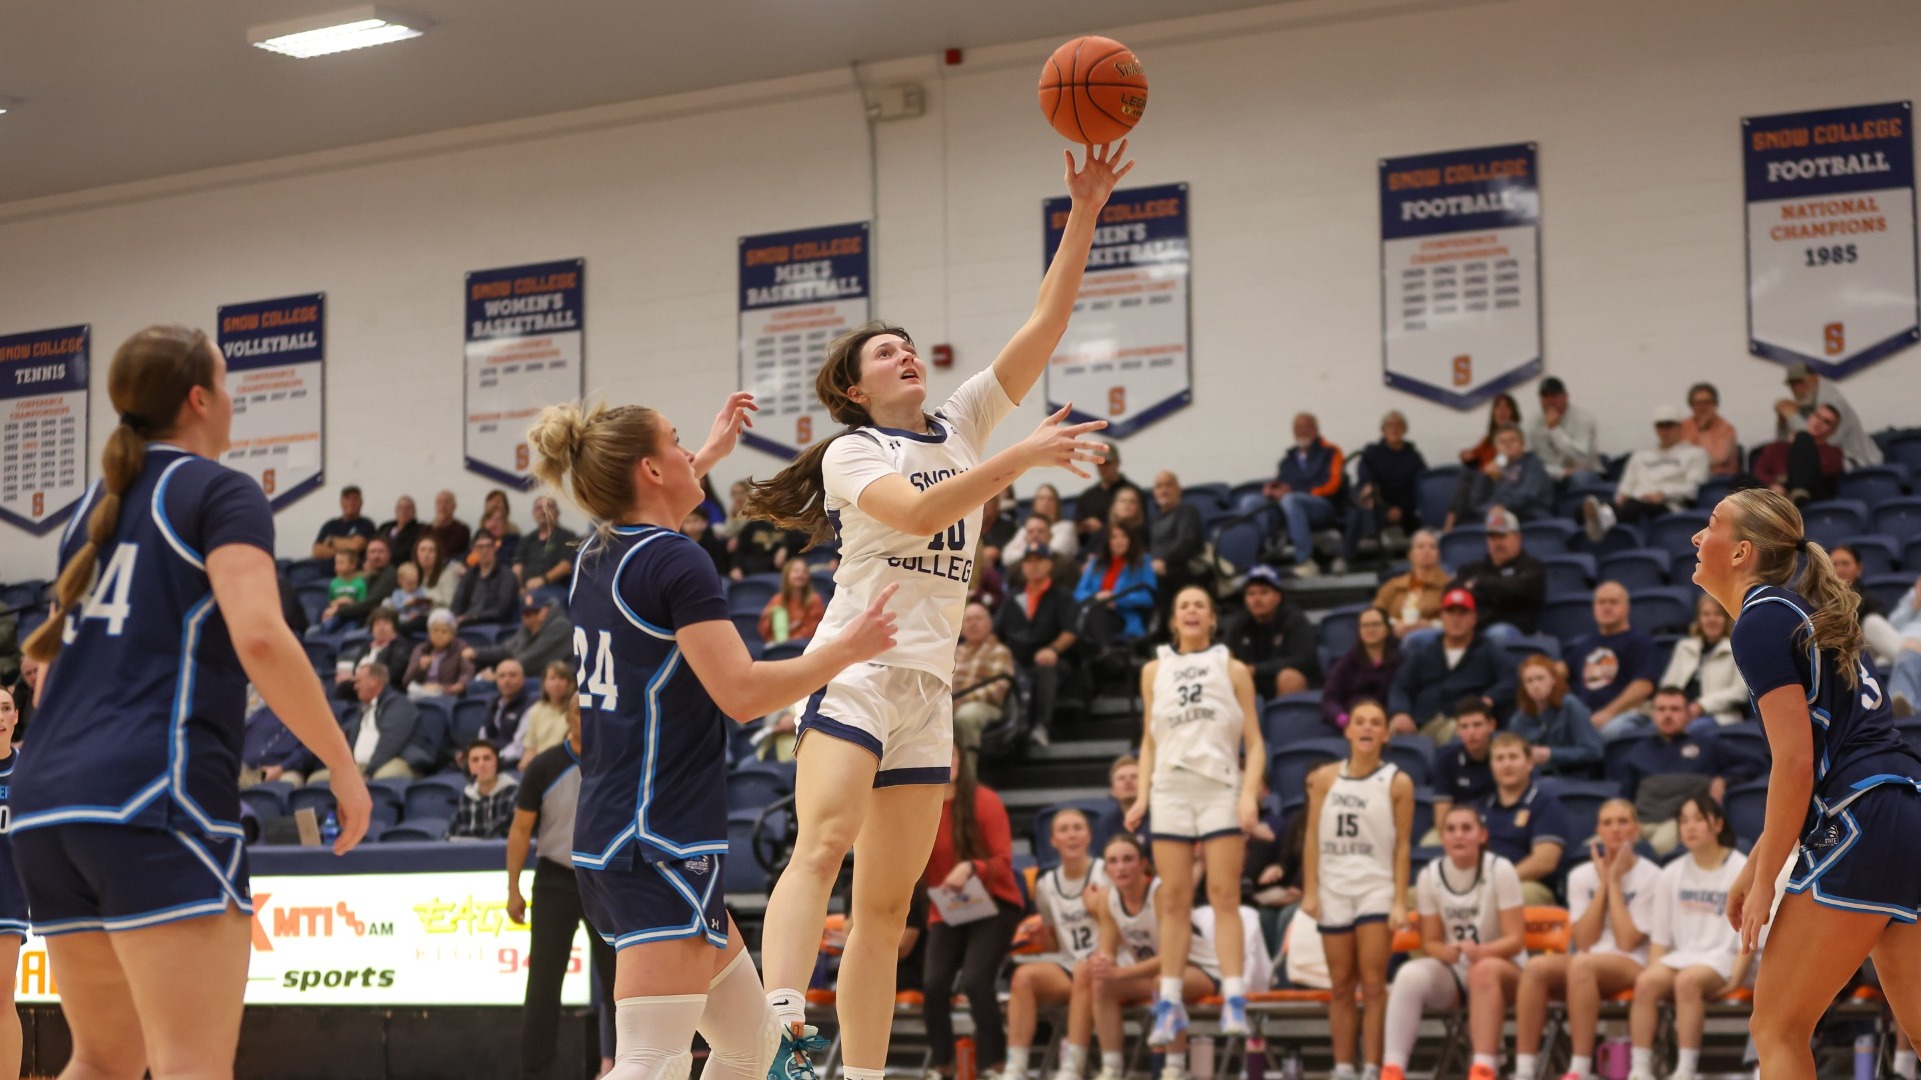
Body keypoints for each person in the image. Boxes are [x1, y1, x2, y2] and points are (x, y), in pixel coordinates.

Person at [741, 143, 1133, 1080]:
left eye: (908, 344)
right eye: (885, 351)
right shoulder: (854, 452)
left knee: (886, 911)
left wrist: (1084, 210)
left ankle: (864, 1073)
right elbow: (919, 515)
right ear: (855, 388)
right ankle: (781, 1038)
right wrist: (1018, 460)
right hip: (855, 668)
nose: (904, 353)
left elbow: (1044, 325)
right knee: (821, 846)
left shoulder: (959, 425)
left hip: (928, 689)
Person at [9, 325, 371, 1078]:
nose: (233, 401)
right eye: (226, 384)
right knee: (190, 1065)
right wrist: (342, 765)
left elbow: (48, 664)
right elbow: (261, 636)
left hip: (45, 804)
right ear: (199, 399)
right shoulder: (219, 490)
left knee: (103, 1061)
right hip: (150, 793)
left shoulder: (91, 509)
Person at [526, 384, 902, 1080]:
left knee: (758, 1055)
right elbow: (743, 694)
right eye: (675, 442)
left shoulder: (595, 554)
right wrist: (846, 649)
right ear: (650, 469)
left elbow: (640, 502)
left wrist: (705, 453)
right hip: (656, 838)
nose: (686, 450)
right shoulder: (676, 560)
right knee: (652, 1060)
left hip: (623, 833)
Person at [1693, 489, 1921, 1080]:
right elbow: (1814, 760)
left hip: (1862, 815)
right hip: (1903, 807)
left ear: (1741, 552)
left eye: (1711, 525)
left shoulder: (1760, 622)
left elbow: (1794, 764)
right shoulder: (1794, 612)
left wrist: (1765, 881)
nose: (1696, 536)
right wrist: (1756, 866)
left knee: (1776, 1028)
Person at [1125, 586, 1264, 1041]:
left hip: (1218, 785)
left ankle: (1235, 998)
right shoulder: (1154, 669)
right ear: (1173, 620)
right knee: (1173, 899)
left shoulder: (1233, 668)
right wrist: (1142, 796)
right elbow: (1149, 742)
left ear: (1212, 619)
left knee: (1224, 895)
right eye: (1183, 605)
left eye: (1199, 605)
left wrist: (1248, 795)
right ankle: (1169, 1002)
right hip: (1170, 788)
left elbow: (1255, 743)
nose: (1191, 610)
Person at [1302, 701, 1414, 1080]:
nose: (1367, 728)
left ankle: (1373, 1067)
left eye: (1375, 723)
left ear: (1385, 734)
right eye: (1360, 722)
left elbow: (1403, 845)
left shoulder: (1398, 782)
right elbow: (1312, 837)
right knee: (1340, 985)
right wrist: (1310, 890)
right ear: (1348, 731)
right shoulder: (1324, 778)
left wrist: (1399, 900)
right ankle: (1343, 1067)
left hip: (1375, 886)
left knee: (1373, 983)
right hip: (1334, 887)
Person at [506, 695, 616, 1080]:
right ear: (567, 717)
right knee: (543, 984)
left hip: (607, 880)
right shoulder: (544, 766)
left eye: (592, 711)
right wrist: (513, 888)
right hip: (556, 880)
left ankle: (630, 1066)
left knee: (620, 982)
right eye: (578, 711)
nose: (586, 717)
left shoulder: (619, 760)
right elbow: (521, 829)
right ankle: (535, 1073)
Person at [1511, 799, 1662, 1080]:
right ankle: (1524, 1069)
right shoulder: (1580, 875)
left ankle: (1579, 1068)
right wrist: (1603, 884)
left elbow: (1627, 941)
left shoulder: (1652, 876)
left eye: (1623, 821)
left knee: (1582, 965)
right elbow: (1584, 941)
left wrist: (1613, 883)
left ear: (1636, 829)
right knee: (1535, 968)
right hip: (1588, 960)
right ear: (1598, 831)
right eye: (1607, 823)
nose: (1615, 829)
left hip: (1634, 962)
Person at [1381, 806, 1527, 1080]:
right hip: (1458, 971)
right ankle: (1393, 1068)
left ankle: (1483, 1068)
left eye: (1466, 828)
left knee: (1482, 970)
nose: (1458, 835)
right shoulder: (1430, 875)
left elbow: (1515, 940)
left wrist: (1482, 952)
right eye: (1451, 829)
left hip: (1505, 968)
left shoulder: (1501, 869)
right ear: (1442, 838)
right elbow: (1430, 942)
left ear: (1482, 835)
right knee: (1409, 974)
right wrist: (1444, 952)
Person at [1625, 796, 1750, 1080]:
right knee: (1645, 982)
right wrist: (1655, 974)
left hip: (1724, 957)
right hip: (1684, 957)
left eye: (1698, 819)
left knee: (1687, 981)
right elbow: (1660, 938)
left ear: (1717, 824)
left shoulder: (1740, 868)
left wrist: (1736, 978)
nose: (1689, 827)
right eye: (1683, 821)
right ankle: (1640, 1068)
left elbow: (1750, 934)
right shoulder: (1671, 873)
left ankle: (1685, 1070)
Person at [922, 738, 1025, 1080]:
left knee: (976, 980)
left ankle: (992, 1064)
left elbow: (1004, 862)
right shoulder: (921, 805)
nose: (946, 760)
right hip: (948, 906)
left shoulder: (985, 801)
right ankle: (942, 1065)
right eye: (939, 753)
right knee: (934, 983)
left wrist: (970, 868)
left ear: (962, 761)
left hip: (994, 902)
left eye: (951, 754)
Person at [1079, 834, 1218, 1080]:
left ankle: (1174, 1068)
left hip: (1200, 970)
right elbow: (1108, 951)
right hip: (1153, 974)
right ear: (1106, 869)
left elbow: (1172, 957)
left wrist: (1121, 972)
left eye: (1128, 859)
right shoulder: (1107, 899)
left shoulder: (1162, 893)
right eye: (1113, 861)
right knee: (1101, 982)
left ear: (1143, 864)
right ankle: (1111, 1068)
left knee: (1166, 983)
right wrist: (1101, 963)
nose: (1121, 867)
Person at [1004, 808, 1107, 1080]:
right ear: (1053, 841)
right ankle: (1016, 1067)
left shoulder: (1106, 873)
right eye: (1063, 829)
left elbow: (1122, 928)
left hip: (1107, 963)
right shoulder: (1046, 884)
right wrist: (1042, 939)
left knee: (1085, 971)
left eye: (1077, 828)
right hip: (1070, 963)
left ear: (1089, 836)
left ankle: (1072, 1067)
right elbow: (1055, 942)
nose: (1071, 835)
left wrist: (1098, 910)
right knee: (1023, 977)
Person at [1610, 687, 1732, 855]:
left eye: (1675, 709)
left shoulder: (1707, 745)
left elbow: (1753, 763)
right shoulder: (1637, 751)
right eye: (1661, 709)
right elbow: (1625, 796)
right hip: (1640, 823)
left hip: (1678, 822)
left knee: (1656, 849)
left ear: (1688, 714)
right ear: (1653, 714)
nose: (1667, 715)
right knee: (1596, 847)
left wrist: (1724, 780)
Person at [1387, 588, 1518, 742]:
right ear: (1441, 617)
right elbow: (1400, 686)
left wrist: (1489, 698)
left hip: (1462, 724)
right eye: (1450, 613)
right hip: (1421, 722)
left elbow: (1513, 677)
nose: (1456, 619)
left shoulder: (1488, 650)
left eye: (1463, 613)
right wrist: (1400, 712)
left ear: (1474, 618)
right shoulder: (1424, 652)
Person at [995, 543, 1079, 746]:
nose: (1033, 566)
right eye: (1028, 561)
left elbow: (1071, 631)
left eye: (1039, 560)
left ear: (1049, 564)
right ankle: (1007, 729)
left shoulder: (1062, 595)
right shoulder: (1013, 596)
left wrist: (1053, 649)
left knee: (1045, 666)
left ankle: (1041, 725)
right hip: (1017, 660)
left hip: (1053, 661)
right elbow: (997, 631)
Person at [1584, 406, 1709, 536]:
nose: (1665, 430)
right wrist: (1622, 496)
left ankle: (1604, 519)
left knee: (1633, 506)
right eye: (1661, 426)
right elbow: (1625, 487)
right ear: (1656, 429)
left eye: (1670, 425)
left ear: (1680, 427)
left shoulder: (1696, 454)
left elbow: (1693, 488)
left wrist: (1663, 494)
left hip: (1668, 504)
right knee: (1580, 511)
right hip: (1635, 501)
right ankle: (1603, 518)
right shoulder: (1640, 456)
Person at [1480, 733, 1572, 907]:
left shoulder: (1546, 805)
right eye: (1499, 759)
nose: (1507, 764)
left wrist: (1497, 883)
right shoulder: (1480, 807)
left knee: (1517, 895)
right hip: (1483, 884)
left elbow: (1544, 862)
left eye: (1513, 757)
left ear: (1529, 763)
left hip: (1529, 885)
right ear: (1491, 766)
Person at [1567, 581, 1662, 740]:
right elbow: (1564, 673)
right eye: (1601, 602)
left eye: (1613, 602)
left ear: (1627, 607)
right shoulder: (1583, 646)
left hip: (1628, 714)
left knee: (1609, 732)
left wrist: (1608, 713)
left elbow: (1644, 686)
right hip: (1587, 715)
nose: (1606, 607)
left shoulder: (1640, 643)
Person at [305, 663, 424, 782]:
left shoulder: (399, 705)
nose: (355, 687)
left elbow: (390, 743)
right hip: (361, 766)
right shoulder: (363, 710)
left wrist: (369, 773)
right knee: (316, 780)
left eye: (358, 681)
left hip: (394, 761)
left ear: (374, 681)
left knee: (381, 779)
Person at [1263, 412, 1346, 578]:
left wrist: (1296, 492)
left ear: (1316, 429)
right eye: (1298, 428)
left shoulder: (1331, 452)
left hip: (1323, 506)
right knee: (1251, 502)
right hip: (1293, 507)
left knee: (1291, 499)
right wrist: (1273, 490)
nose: (1303, 431)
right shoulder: (1287, 460)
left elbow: (1332, 484)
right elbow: (1282, 484)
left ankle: (1305, 561)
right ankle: (1257, 561)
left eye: (1307, 426)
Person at [1447, 508, 1547, 638]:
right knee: (1425, 637)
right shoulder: (1471, 569)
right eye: (1492, 537)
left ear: (1518, 538)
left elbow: (1516, 588)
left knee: (1497, 634)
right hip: (1473, 631)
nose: (1497, 543)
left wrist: (1478, 584)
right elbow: (1452, 591)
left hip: (1516, 634)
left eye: (1502, 536)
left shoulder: (1533, 568)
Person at [1220, 565, 1317, 697]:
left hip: (1289, 683)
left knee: (1288, 678)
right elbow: (1224, 654)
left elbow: (1304, 660)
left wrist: (1256, 669)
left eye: (1264, 592)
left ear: (1277, 597)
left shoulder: (1294, 620)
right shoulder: (1239, 623)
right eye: (1251, 594)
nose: (1257, 599)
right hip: (1253, 685)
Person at [1347, 410, 1427, 561]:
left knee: (1357, 514)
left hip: (1402, 509)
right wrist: (1374, 495)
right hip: (1376, 502)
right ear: (1383, 430)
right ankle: (1350, 556)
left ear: (1404, 429)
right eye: (1389, 425)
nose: (1394, 429)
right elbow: (1364, 476)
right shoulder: (1372, 451)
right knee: (1358, 503)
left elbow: (1419, 489)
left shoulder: (1413, 457)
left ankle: (1353, 554)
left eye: (1398, 425)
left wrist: (1401, 509)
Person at [1659, 594, 1748, 729]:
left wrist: (1701, 705)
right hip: (1678, 712)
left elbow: (1740, 692)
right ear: (1699, 619)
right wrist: (1675, 708)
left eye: (1717, 614)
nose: (1711, 620)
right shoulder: (1684, 647)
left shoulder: (1736, 649)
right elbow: (1668, 685)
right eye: (1706, 614)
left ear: (1726, 619)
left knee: (1691, 730)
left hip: (1719, 716)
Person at [1508, 654, 1603, 777]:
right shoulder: (1520, 718)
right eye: (1529, 681)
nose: (1535, 685)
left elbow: (1594, 751)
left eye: (1540, 678)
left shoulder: (1570, 705)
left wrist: (1551, 754)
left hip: (1573, 776)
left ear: (1553, 680)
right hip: (1535, 777)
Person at [1774, 360, 1882, 468]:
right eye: (1792, 384)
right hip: (1835, 466)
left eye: (1801, 382)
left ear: (1815, 378)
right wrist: (1782, 422)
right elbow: (1783, 446)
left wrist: (1792, 416)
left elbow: (1818, 444)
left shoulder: (1834, 402)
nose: (1797, 388)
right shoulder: (1807, 402)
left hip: (1864, 466)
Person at [1445, 424, 1553, 530]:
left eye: (1512, 440)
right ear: (1496, 447)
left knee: (1496, 522)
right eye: (1502, 442)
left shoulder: (1533, 464)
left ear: (1522, 444)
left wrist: (1502, 507)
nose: (1508, 445)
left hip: (1527, 517)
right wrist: (1484, 477)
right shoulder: (1496, 468)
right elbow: (1477, 502)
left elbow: (1527, 494)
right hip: (1495, 518)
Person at [1751, 401, 1847, 505]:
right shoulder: (1776, 447)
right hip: (1779, 494)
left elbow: (1826, 474)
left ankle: (1799, 491)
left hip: (1812, 496)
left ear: (1832, 431)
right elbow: (1759, 472)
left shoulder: (1833, 452)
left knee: (1803, 437)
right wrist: (1773, 485)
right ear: (1810, 416)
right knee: (1742, 479)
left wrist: (1801, 443)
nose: (1818, 423)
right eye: (1817, 416)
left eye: (1826, 422)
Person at [1322, 606, 1402, 728]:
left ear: (1387, 628)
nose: (1370, 629)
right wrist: (1343, 719)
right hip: (1355, 722)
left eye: (1375, 624)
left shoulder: (1401, 659)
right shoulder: (1347, 662)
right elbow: (1330, 699)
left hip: (1391, 721)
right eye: (1365, 625)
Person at [1075, 524, 1157, 642]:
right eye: (1113, 537)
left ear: (1130, 540)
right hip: (1095, 611)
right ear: (1107, 542)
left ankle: (1107, 650)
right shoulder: (1095, 562)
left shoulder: (1143, 562)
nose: (1119, 541)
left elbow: (1148, 597)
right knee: (1092, 614)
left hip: (1123, 615)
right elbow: (1078, 593)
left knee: (1094, 617)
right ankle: (1107, 650)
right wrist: (1097, 597)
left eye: (1124, 536)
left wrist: (1116, 599)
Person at [952, 602, 1015, 749]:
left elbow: (998, 690)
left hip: (984, 706)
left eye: (978, 618)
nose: (973, 624)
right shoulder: (954, 653)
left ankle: (968, 764)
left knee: (966, 716)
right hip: (951, 704)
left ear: (989, 624)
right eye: (968, 620)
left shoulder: (1000, 651)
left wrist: (963, 699)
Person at [471, 593, 575, 681]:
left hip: (556, 679)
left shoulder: (560, 627)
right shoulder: (527, 629)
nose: (530, 618)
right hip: (529, 676)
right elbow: (507, 649)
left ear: (546, 609)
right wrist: (476, 653)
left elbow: (534, 658)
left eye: (535, 612)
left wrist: (499, 674)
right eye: (526, 614)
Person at [1430, 699, 1499, 829]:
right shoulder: (1446, 759)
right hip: (1459, 827)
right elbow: (1442, 815)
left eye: (1477, 725)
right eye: (1464, 726)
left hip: (1498, 825)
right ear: (1457, 729)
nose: (1471, 732)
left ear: (1491, 725)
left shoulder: (1505, 756)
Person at [1147, 471, 1207, 617]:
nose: (1164, 490)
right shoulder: (1154, 520)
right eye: (1159, 486)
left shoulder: (1187, 511)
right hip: (1158, 570)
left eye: (1168, 485)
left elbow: (1186, 543)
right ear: (1154, 493)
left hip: (1185, 570)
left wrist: (1164, 560)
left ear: (1179, 490)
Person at [1373, 529, 1449, 642]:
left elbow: (1458, 620)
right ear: (1410, 555)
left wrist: (1430, 626)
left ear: (1438, 555)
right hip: (1393, 643)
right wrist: (1394, 627)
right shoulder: (1393, 586)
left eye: (1432, 547)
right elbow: (1374, 617)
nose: (1427, 551)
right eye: (1420, 547)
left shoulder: (1449, 586)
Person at [1527, 377, 1601, 482]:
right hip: (1552, 475)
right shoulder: (1534, 422)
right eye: (1545, 396)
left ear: (1566, 397)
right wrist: (1559, 472)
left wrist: (1554, 430)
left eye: (1554, 396)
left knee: (1579, 477)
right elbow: (1530, 460)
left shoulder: (1583, 419)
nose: (1549, 401)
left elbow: (1582, 462)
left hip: (1585, 473)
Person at [0, 687, 20, 1080]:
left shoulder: (30, 773)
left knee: (2, 1000)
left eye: (4, 708)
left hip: (8, 899)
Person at [448, 738, 519, 840]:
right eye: (475, 760)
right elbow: (451, 837)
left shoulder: (515, 794)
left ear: (497, 763)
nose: (481, 764)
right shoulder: (465, 798)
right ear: (469, 767)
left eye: (487, 758)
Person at [471, 657, 537, 766]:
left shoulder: (531, 707)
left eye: (512, 675)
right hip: (491, 762)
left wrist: (493, 759)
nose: (507, 680)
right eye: (502, 676)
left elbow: (519, 747)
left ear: (522, 679)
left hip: (511, 763)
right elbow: (483, 736)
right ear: (497, 680)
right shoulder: (493, 704)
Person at [322, 535, 398, 630]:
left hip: (372, 624)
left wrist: (339, 610)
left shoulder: (390, 574)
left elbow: (369, 603)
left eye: (381, 552)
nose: (376, 556)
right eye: (372, 552)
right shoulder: (366, 577)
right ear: (367, 556)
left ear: (389, 555)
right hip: (352, 617)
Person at [1072, 442, 1143, 542]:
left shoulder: (1133, 493)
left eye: (1106, 463)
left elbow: (1143, 526)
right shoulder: (1087, 497)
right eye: (1099, 463)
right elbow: (1077, 532)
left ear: (1117, 463)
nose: (1103, 467)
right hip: (1095, 546)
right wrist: (1085, 526)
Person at [517, 659, 577, 764]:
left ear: (570, 683)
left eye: (562, 678)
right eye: (552, 678)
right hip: (540, 762)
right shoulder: (536, 709)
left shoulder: (576, 711)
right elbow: (530, 747)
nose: (557, 683)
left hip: (565, 762)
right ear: (544, 683)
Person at [404, 609, 474, 698]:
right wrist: (419, 668)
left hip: (447, 694)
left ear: (452, 634)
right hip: (421, 692)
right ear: (429, 632)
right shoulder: (421, 649)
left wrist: (459, 685)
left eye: (444, 631)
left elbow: (467, 672)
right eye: (435, 631)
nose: (439, 635)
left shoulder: (461, 648)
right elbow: (406, 681)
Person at [452, 531, 518, 626]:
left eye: (488, 546)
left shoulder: (507, 576)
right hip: (465, 624)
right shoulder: (470, 575)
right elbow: (457, 604)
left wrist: (472, 617)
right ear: (473, 550)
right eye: (480, 547)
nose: (484, 551)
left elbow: (502, 610)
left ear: (495, 547)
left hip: (492, 625)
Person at [514, 494, 579, 589]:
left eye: (548, 507)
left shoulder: (569, 537)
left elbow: (566, 565)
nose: (543, 511)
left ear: (557, 513)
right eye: (539, 508)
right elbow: (517, 566)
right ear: (534, 513)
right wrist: (518, 588)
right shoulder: (526, 540)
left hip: (555, 588)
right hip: (526, 590)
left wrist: (543, 580)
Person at [759, 558, 825, 646]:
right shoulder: (777, 599)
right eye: (796, 571)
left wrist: (790, 641)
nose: (800, 575)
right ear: (787, 575)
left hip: (802, 645)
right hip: (777, 645)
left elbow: (811, 629)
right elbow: (764, 631)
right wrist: (769, 618)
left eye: (804, 572)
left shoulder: (814, 599)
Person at [1681, 383, 1741, 477]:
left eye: (1707, 402)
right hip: (1686, 477)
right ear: (1691, 405)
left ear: (1715, 404)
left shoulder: (1726, 429)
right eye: (1698, 403)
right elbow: (1677, 456)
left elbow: (1718, 458)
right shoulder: (1682, 426)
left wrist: (1702, 429)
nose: (1702, 407)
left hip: (1717, 478)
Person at [405, 534, 462, 630]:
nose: (426, 555)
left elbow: (449, 602)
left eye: (431, 551)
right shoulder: (411, 572)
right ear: (416, 554)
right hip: (416, 615)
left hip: (440, 616)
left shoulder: (447, 572)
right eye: (422, 550)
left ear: (437, 555)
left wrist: (421, 602)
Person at [1461, 393, 1522, 471]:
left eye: (1506, 407)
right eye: (1498, 407)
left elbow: (1508, 458)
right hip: (1483, 476)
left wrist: (1494, 465)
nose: (1502, 411)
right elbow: (1473, 453)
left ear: (1513, 412)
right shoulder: (1489, 438)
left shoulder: (1518, 437)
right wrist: (1465, 455)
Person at [311, 483, 375, 558]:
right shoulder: (330, 525)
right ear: (341, 502)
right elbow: (316, 551)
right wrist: (345, 548)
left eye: (355, 499)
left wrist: (331, 540)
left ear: (361, 503)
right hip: (319, 564)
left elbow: (355, 546)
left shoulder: (366, 524)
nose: (351, 503)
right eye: (347, 499)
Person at [1095, 755, 1142, 849]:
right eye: (1121, 778)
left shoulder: (1159, 818)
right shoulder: (1105, 824)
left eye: (1134, 777)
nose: (1128, 781)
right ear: (1113, 791)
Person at [1026, 483, 1080, 560]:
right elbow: (1009, 556)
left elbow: (1055, 553)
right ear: (1034, 504)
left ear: (1057, 505)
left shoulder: (1066, 527)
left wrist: (1026, 549)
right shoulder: (1023, 530)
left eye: (1050, 499)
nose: (1046, 503)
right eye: (1041, 498)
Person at [376, 494, 425, 565]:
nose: (404, 511)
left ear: (414, 511)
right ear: (395, 510)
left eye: (408, 508)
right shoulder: (385, 527)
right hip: (377, 563)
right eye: (401, 508)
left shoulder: (421, 530)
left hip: (402, 566)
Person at [429, 489, 473, 561]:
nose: (442, 506)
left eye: (446, 502)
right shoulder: (426, 529)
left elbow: (445, 553)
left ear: (454, 506)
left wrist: (438, 527)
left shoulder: (462, 530)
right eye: (439, 502)